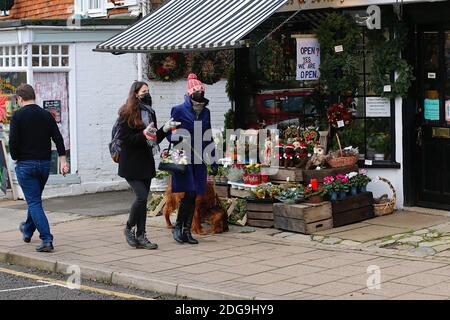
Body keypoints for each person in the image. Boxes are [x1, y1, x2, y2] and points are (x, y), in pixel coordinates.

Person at [118, 81, 179, 249]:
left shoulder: (150, 113)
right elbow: (125, 139)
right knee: (141, 197)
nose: (147, 93)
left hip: (145, 162)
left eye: (148, 91)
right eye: (144, 91)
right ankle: (129, 228)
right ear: (136, 93)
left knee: (143, 201)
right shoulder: (126, 112)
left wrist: (165, 129)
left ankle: (141, 236)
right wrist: (143, 135)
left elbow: (154, 139)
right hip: (130, 163)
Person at [9, 84, 69, 253]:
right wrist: (63, 160)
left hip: (26, 165)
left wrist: (15, 157)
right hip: (44, 165)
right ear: (33, 96)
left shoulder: (18, 116)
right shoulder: (46, 115)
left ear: (20, 99)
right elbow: (58, 139)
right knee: (34, 199)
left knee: (34, 202)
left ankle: (47, 239)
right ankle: (27, 229)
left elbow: (13, 143)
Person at [168, 74, 218, 245]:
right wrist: (178, 138)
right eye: (196, 91)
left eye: (201, 90)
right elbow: (170, 133)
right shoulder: (179, 110)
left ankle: (186, 230)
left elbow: (208, 136)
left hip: (199, 157)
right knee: (187, 192)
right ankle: (178, 227)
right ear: (189, 93)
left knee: (194, 193)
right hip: (182, 155)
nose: (199, 93)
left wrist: (213, 160)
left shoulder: (206, 112)